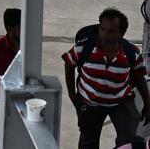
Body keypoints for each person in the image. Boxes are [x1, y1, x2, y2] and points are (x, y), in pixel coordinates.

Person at [63, 8, 150, 149]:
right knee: (87, 141)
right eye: (102, 29)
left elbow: (139, 78)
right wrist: (72, 94)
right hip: (90, 102)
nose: (104, 35)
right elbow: (69, 63)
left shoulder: (131, 53)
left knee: (128, 140)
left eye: (111, 31)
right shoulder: (84, 47)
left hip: (120, 102)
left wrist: (148, 105)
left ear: (121, 34)